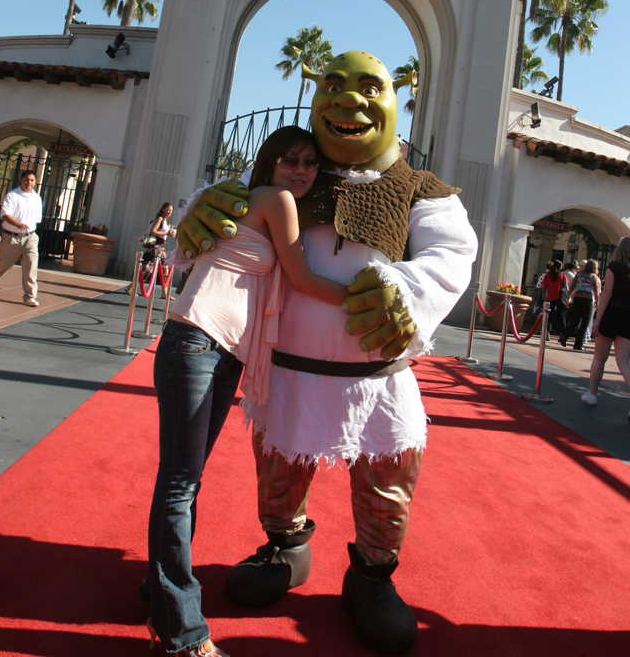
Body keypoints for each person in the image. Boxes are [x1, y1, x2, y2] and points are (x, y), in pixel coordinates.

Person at [179, 52, 477, 654]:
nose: (349, 103)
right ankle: (285, 547)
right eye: (334, 88)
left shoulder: (422, 191)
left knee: (386, 483)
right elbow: (214, 205)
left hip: (380, 376)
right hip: (287, 370)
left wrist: (407, 293)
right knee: (278, 471)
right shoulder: (288, 178)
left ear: (395, 102)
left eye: (370, 88)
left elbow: (453, 254)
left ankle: (372, 576)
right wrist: (195, 214)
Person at [145, 127, 353, 657]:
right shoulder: (276, 199)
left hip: (215, 350)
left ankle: (159, 594)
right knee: (179, 484)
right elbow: (302, 278)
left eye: (311, 163)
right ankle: (183, 634)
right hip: (197, 342)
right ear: (270, 162)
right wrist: (365, 296)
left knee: (183, 483)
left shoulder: (248, 198)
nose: (302, 170)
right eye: (291, 159)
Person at [581, 238, 630, 414]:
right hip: (628, 318)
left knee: (600, 358)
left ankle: (592, 394)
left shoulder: (614, 267)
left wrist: (598, 318)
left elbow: (607, 293)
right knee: (624, 362)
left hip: (611, 315)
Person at [0, 171, 42, 307]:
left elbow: (37, 219)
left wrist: (27, 229)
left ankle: (29, 296)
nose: (29, 183)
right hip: (11, 238)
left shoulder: (37, 198)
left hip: (30, 238)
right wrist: (18, 224)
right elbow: (5, 215)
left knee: (31, 268)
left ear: (35, 182)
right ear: (21, 180)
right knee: (0, 267)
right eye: (26, 180)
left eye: (31, 180)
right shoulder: (12, 195)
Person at [129, 202, 177, 301]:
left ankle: (164, 293)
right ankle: (130, 287)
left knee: (164, 270)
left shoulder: (166, 221)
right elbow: (153, 231)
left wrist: (169, 233)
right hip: (155, 248)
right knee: (145, 269)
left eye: (171, 210)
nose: (170, 212)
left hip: (161, 249)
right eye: (168, 209)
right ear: (163, 209)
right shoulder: (160, 219)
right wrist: (166, 233)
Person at [561, 259, 600, 351]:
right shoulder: (594, 276)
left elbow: (572, 287)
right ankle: (578, 344)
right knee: (585, 323)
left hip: (577, 298)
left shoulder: (578, 274)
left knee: (575, 320)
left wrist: (568, 299)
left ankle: (564, 335)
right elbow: (596, 291)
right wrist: (597, 302)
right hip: (587, 299)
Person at [542, 260, 567, 337]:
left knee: (548, 316)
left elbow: (545, 288)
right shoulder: (562, 276)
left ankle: (547, 333)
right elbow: (567, 288)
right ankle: (562, 334)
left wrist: (543, 298)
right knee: (561, 316)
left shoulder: (547, 276)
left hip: (550, 298)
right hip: (560, 298)